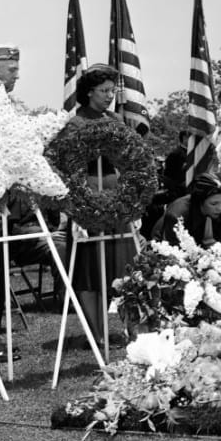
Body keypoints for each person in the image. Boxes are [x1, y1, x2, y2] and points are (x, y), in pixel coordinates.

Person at [0, 45, 64, 362]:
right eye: (11, 68)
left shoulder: (10, 106)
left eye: (17, 67)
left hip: (5, 205)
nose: (17, 72)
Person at [67, 64, 138, 345]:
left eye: (112, 90)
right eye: (104, 90)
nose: (110, 96)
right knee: (90, 270)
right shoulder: (75, 123)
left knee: (125, 266)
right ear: (88, 92)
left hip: (115, 194)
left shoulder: (116, 120)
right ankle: (96, 334)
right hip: (88, 194)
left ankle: (133, 328)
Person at [154, 172, 221, 248]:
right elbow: (172, 250)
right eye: (214, 204)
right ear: (200, 201)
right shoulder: (177, 215)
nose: (220, 208)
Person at [162, 130, 189, 201]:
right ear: (184, 138)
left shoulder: (191, 153)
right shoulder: (175, 154)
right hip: (178, 192)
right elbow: (168, 175)